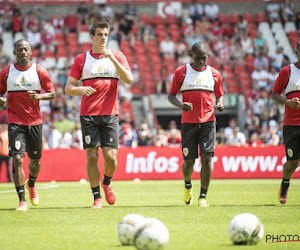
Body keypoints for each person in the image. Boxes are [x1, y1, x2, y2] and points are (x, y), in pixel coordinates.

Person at [65, 21, 133, 209]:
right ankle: (97, 197)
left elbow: (129, 79)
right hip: (88, 115)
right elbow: (68, 88)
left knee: (111, 157)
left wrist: (113, 60)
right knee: (92, 156)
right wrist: (80, 89)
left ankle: (107, 182)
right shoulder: (82, 59)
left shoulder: (117, 56)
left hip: (110, 114)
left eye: (106, 34)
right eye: (100, 34)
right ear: (92, 37)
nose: (103, 37)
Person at [0, 39, 55, 211]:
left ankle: (31, 183)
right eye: (20, 49)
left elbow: (52, 93)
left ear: (31, 52)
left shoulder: (39, 71)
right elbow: (0, 94)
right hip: (16, 122)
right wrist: (1, 100)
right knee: (17, 158)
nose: (23, 52)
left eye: (26, 49)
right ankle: (22, 200)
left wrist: (39, 97)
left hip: (35, 123)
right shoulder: (6, 73)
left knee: (35, 162)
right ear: (15, 52)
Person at [168, 42, 224, 207]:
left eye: (204, 58)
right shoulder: (181, 72)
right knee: (189, 162)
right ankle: (187, 185)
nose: (201, 61)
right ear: (191, 56)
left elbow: (220, 95)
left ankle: (203, 197)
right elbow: (171, 96)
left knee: (207, 159)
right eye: (198, 58)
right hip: (188, 123)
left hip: (208, 121)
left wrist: (220, 103)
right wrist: (180, 105)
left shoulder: (214, 73)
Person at [271, 41, 300, 205]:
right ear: (297, 51)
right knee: (292, 162)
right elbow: (274, 94)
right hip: (292, 124)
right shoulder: (287, 71)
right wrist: (288, 103)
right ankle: (285, 182)